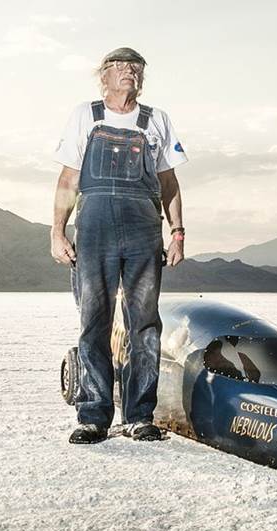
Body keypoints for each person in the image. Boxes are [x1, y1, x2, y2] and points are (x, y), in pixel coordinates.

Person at [49, 46, 188, 444]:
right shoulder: (86, 115)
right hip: (92, 229)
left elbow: (169, 183)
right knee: (94, 320)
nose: (131, 72)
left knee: (144, 323)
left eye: (137, 68)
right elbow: (67, 179)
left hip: (144, 228)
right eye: (122, 67)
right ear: (104, 75)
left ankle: (140, 416)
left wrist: (177, 232)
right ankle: (93, 416)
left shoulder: (156, 120)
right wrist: (58, 230)